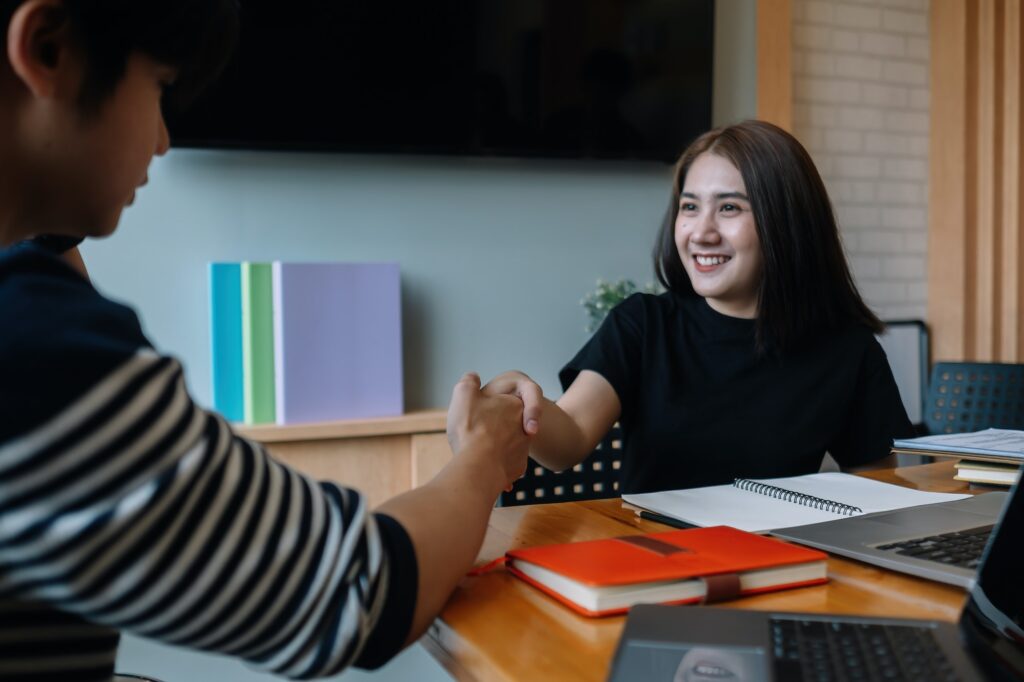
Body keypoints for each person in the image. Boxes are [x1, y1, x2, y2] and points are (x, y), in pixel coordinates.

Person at [0, 1, 530, 680]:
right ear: (46, 51)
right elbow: (360, 592)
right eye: (159, 85)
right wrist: (484, 455)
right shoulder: (41, 353)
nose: (162, 139)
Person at [485, 120, 914, 494]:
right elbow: (570, 438)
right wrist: (526, 402)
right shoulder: (642, 325)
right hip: (655, 567)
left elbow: (877, 488)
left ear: (786, 221)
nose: (701, 232)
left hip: (782, 570)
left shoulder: (847, 350)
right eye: (690, 207)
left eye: (729, 207)